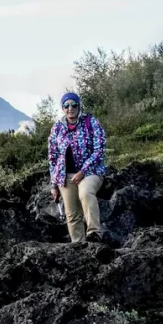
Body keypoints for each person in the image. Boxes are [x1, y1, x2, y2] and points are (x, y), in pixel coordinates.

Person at [48, 92, 107, 242]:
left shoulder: (91, 122)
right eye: (66, 106)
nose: (70, 108)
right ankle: (79, 246)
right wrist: (54, 185)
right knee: (71, 213)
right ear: (62, 108)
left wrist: (83, 171)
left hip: (90, 172)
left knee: (85, 193)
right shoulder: (57, 128)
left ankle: (94, 233)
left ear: (79, 105)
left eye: (73, 104)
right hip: (65, 176)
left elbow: (99, 150)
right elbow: (53, 158)